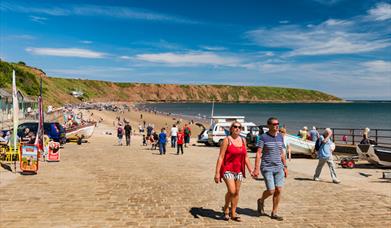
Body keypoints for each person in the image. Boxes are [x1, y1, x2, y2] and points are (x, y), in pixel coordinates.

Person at [214, 121, 253, 222]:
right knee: (232, 191)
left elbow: (246, 158)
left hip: (239, 170)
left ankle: (233, 213)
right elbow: (221, 157)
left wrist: (251, 170)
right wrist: (217, 173)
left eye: (239, 127)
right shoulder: (227, 140)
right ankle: (226, 209)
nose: (237, 129)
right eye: (235, 127)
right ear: (231, 129)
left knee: (236, 192)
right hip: (227, 169)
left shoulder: (243, 140)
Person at [253, 117, 287, 221]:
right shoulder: (263, 137)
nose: (276, 125)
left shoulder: (281, 137)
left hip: (279, 167)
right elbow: (259, 153)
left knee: (279, 190)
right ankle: (261, 200)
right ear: (268, 126)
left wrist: (285, 166)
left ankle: (274, 212)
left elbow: (282, 153)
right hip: (267, 167)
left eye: (278, 123)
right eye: (274, 124)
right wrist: (256, 169)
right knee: (271, 190)